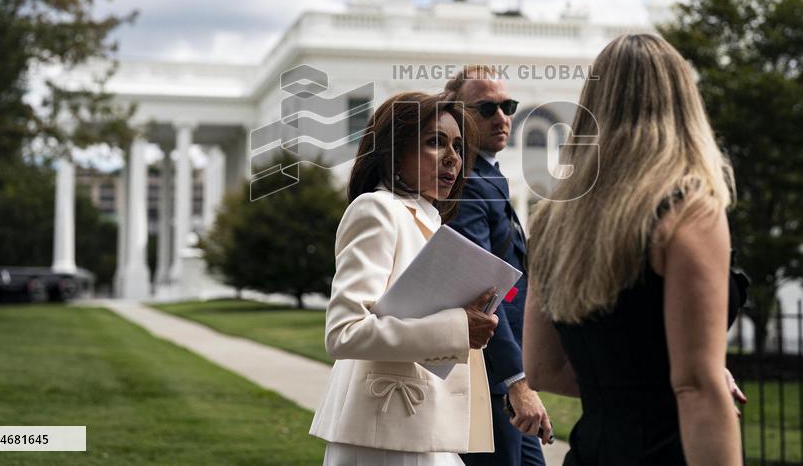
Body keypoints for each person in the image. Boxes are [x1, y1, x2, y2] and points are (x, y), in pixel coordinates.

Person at [523, 33, 746, 466]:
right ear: (683, 101)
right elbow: (696, 387)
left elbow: (542, 368)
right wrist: (683, 379)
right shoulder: (687, 209)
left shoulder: (554, 219)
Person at [310, 91, 500, 465]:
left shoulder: (428, 218)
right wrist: (458, 328)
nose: (452, 159)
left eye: (458, 146)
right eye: (435, 142)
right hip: (384, 432)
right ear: (395, 152)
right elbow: (344, 332)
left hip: (424, 427)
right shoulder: (377, 210)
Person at [443, 66, 552, 466]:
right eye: (486, 108)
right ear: (456, 114)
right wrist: (514, 381)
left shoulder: (486, 174)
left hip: (505, 371)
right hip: (488, 376)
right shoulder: (468, 181)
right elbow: (484, 286)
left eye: (508, 106)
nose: (502, 117)